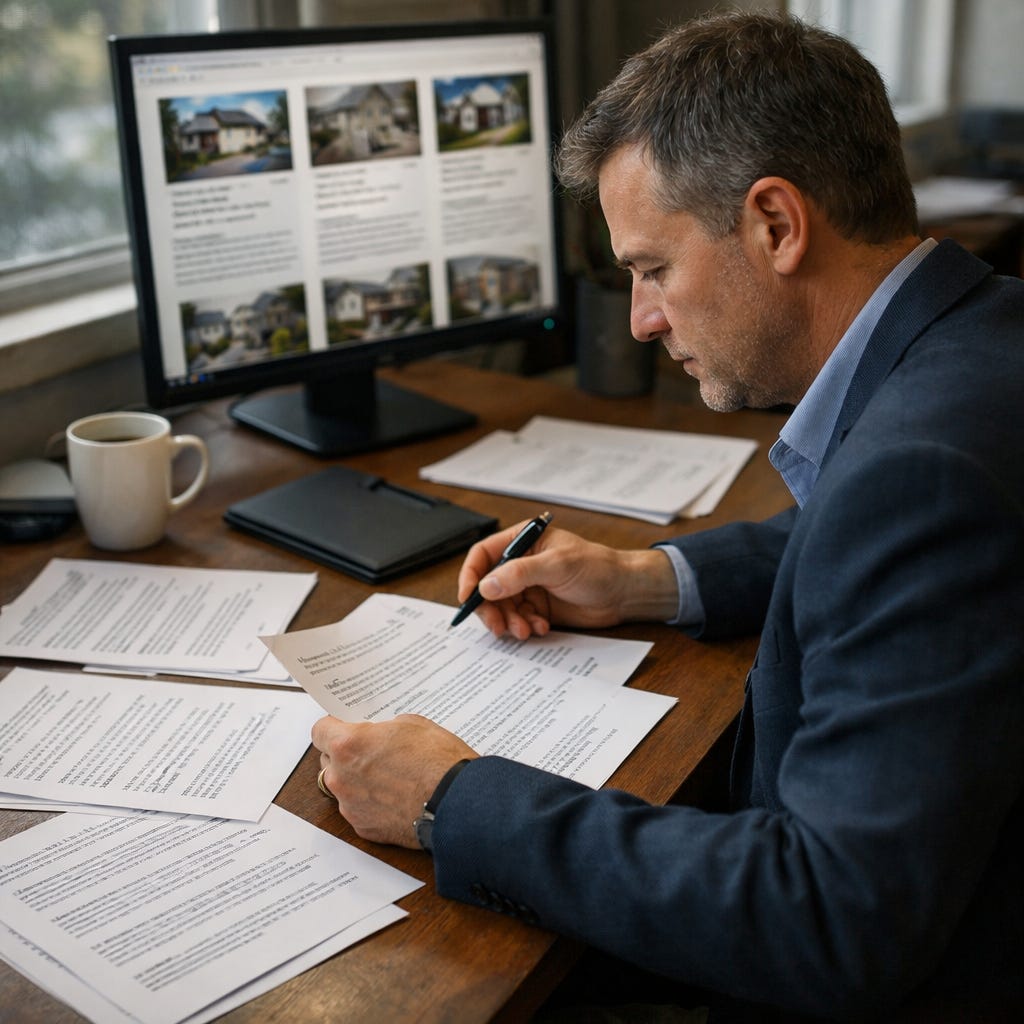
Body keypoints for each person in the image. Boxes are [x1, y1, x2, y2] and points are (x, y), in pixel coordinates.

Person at [311, 10, 1024, 1021]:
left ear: (775, 225)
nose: (642, 317)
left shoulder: (922, 472)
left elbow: (826, 917)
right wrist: (647, 578)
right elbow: (877, 553)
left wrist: (448, 799)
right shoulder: (982, 334)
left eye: (652, 267)